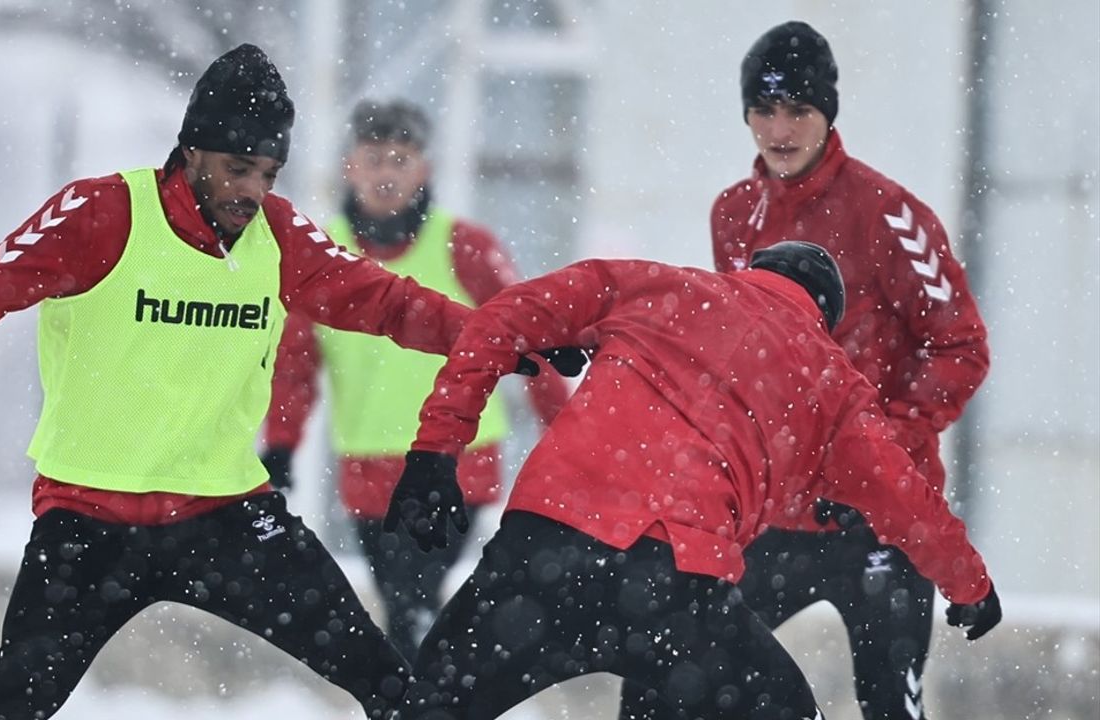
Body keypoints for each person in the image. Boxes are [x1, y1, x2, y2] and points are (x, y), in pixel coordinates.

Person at [0, 43, 564, 720]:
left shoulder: (279, 237)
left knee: (392, 684)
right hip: (88, 519)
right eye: (237, 168)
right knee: (13, 706)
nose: (252, 190)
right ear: (190, 153)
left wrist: (505, 337)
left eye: (268, 173)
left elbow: (391, 303)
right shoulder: (104, 214)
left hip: (223, 517)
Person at [382, 242, 1001, 720]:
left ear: (752, 270)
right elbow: (908, 499)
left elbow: (501, 317)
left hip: (544, 553)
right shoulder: (833, 382)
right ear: (824, 317)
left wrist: (436, 451)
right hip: (674, 590)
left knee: (428, 705)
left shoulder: (653, 285)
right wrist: (968, 585)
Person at [617, 21, 992, 720]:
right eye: (764, 110)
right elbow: (743, 351)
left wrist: (877, 453)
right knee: (673, 677)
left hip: (880, 524)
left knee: (889, 705)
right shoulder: (734, 214)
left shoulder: (889, 215)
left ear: (827, 115)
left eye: (799, 111)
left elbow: (960, 349)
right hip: (774, 517)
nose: (779, 129)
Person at [261, 98, 571, 657]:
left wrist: (568, 434)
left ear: (423, 169)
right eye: (374, 159)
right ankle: (431, 693)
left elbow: (529, 336)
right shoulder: (318, 255)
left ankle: (422, 692)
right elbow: (294, 366)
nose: (386, 174)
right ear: (349, 167)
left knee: (411, 605)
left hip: (459, 462)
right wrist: (281, 446)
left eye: (399, 160)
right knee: (406, 614)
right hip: (366, 469)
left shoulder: (465, 247)